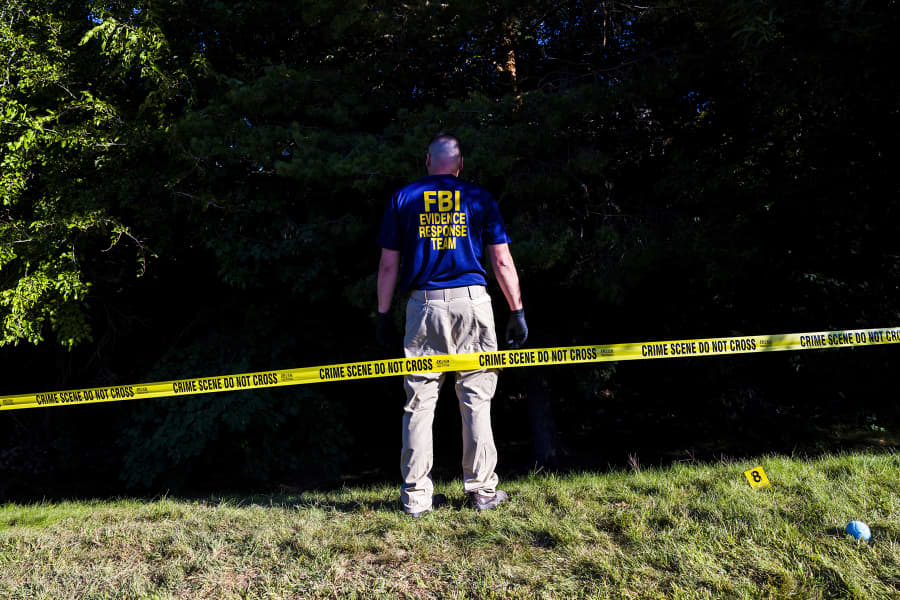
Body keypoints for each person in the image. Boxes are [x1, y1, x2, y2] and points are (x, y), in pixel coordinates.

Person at [375, 133, 528, 517]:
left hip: (422, 306)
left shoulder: (404, 198)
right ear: (460, 165)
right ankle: (481, 491)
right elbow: (502, 260)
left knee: (419, 402)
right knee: (476, 397)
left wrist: (381, 314)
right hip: (472, 303)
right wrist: (517, 310)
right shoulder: (478, 198)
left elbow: (389, 264)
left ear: (428, 161)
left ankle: (416, 497)